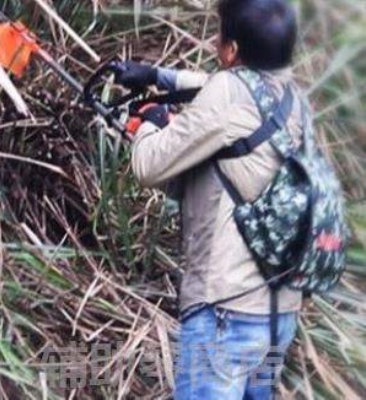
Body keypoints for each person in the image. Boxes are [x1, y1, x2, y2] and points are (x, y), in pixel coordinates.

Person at [111, 0, 302, 398]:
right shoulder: (291, 98)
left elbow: (148, 165)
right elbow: (217, 87)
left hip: (225, 313)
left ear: (230, 50)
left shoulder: (227, 93)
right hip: (277, 312)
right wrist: (159, 77)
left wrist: (149, 123)